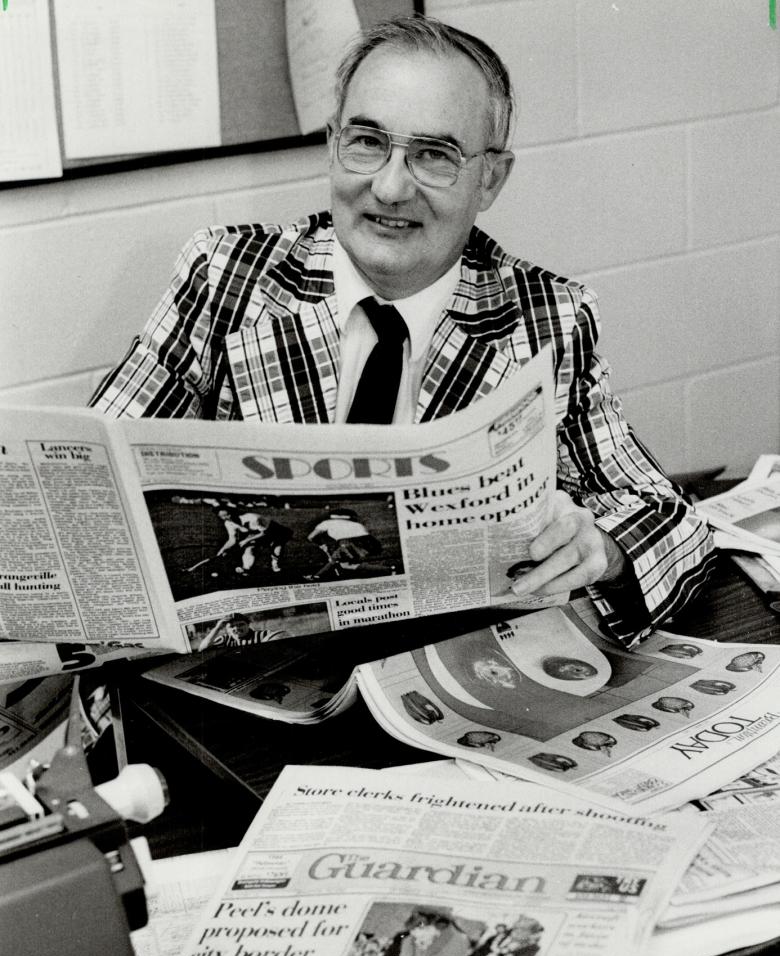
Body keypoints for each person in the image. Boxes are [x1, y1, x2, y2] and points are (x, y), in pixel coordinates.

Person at [89, 14, 715, 648]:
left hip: (440, 676)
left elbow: (670, 519)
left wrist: (602, 549)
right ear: (333, 144)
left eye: (434, 156)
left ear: (490, 179)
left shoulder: (546, 316)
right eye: (366, 142)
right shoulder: (225, 276)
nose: (389, 187)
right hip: (235, 683)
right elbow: (88, 489)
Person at [304, 508, 384, 580]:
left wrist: (321, 544)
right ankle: (387, 569)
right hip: (369, 542)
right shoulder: (357, 524)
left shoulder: (327, 522)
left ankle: (316, 577)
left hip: (347, 542)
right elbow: (367, 538)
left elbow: (311, 537)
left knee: (337, 561)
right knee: (347, 564)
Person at [197, 611, 289, 649]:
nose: (236, 628)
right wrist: (217, 628)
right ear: (227, 629)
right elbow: (202, 648)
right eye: (232, 626)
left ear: (248, 625)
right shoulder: (225, 639)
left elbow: (283, 634)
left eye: (241, 624)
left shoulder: (263, 634)